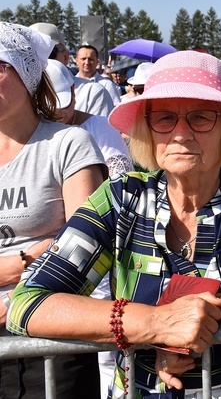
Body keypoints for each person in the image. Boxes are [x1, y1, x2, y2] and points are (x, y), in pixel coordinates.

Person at [7, 50, 221, 398]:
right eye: (163, 119)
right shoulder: (121, 197)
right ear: (147, 131)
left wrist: (196, 311)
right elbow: (28, 304)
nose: (180, 134)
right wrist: (155, 324)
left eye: (201, 117)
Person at [0, 22, 106, 399]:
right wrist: (19, 261)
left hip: (52, 335)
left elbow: (83, 247)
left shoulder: (67, 144)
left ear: (26, 75)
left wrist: (16, 300)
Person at [46, 58, 133, 178]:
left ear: (72, 91)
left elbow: (120, 182)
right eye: (48, 108)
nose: (57, 113)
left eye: (62, 106)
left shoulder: (100, 127)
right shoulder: (30, 132)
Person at [75, 43, 122, 107]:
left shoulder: (107, 85)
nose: (87, 62)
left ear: (97, 62)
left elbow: (115, 109)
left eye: (91, 59)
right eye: (83, 59)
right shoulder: (70, 84)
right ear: (76, 61)